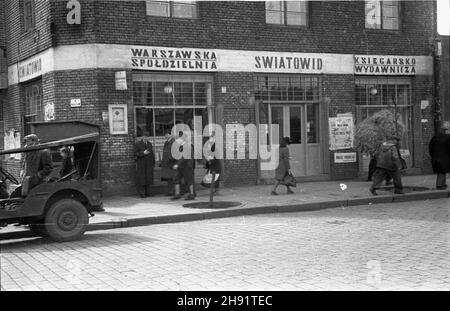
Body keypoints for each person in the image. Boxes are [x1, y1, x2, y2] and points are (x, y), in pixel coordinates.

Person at [171, 133, 195, 201]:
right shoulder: (180, 145)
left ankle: (192, 194)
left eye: (179, 138)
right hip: (181, 166)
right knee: (176, 179)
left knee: (189, 180)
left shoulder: (187, 145)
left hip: (187, 165)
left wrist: (177, 164)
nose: (178, 139)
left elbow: (184, 156)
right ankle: (177, 194)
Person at [428, 121, 450, 190]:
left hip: (435, 158)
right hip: (445, 158)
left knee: (441, 171)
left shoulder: (435, 137)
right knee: (442, 171)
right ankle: (439, 185)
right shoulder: (448, 138)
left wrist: (432, 155)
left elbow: (430, 147)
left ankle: (443, 184)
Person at [134, 133, 155, 198]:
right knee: (142, 179)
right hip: (141, 164)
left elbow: (152, 153)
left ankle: (147, 193)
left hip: (149, 164)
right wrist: (143, 153)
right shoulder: (137, 144)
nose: (146, 138)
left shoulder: (149, 144)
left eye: (147, 137)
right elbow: (135, 154)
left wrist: (153, 162)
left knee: (148, 178)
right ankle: (142, 193)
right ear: (142, 137)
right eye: (144, 137)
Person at [160, 130, 176, 196]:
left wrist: (169, 159)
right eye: (165, 134)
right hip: (166, 163)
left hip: (170, 163)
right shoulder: (166, 142)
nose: (165, 136)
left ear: (171, 135)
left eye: (167, 134)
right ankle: (170, 191)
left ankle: (172, 191)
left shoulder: (173, 142)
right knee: (168, 179)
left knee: (171, 178)